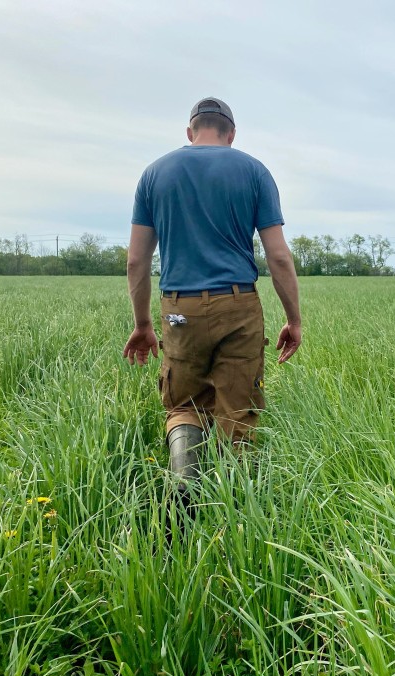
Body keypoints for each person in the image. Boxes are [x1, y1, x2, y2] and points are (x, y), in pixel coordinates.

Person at [123, 97, 302, 501]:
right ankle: (234, 508)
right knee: (238, 410)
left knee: (184, 403)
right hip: (239, 305)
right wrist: (294, 320)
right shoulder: (254, 171)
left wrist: (143, 325)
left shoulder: (155, 174)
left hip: (178, 308)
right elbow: (277, 255)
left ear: (190, 131)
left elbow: (137, 260)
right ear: (232, 135)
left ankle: (184, 485)